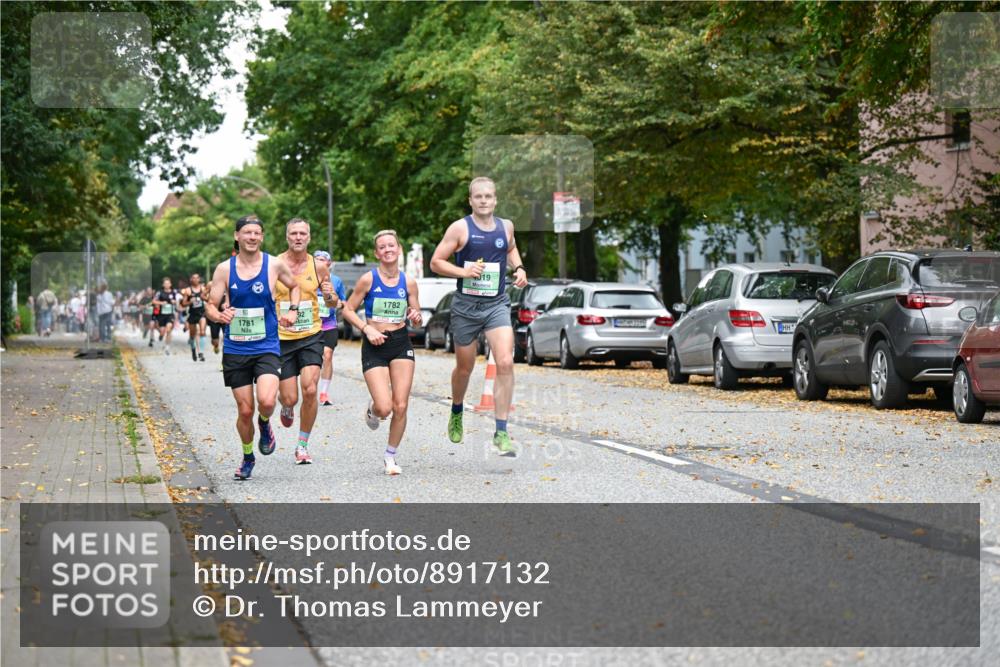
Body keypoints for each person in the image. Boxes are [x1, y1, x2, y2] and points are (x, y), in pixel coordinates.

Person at [429, 176, 528, 457]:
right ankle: (457, 409)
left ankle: (501, 432)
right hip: (466, 306)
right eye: (478, 196)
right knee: (465, 367)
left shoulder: (506, 226)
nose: (484, 201)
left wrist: (519, 268)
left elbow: (510, 248)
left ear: (495, 200)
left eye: (488, 196)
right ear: (470, 200)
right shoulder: (460, 228)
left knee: (505, 361)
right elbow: (436, 262)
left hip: (496, 303)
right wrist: (463, 272)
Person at [205, 214, 300, 481]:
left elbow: (294, 287)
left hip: (267, 345)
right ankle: (248, 457)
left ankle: (265, 422)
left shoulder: (274, 264)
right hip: (236, 349)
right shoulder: (225, 269)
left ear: (262, 237)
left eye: (257, 233)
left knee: (267, 402)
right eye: (247, 232)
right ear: (237, 236)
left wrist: (293, 310)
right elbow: (210, 305)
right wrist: (219, 316)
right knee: (245, 410)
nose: (252, 237)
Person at [342, 230, 422, 476]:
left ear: (399, 249)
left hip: (400, 342)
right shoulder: (368, 279)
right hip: (374, 344)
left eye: (391, 245)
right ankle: (374, 409)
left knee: (401, 405)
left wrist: (416, 316)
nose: (388, 250)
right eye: (382, 247)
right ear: (376, 253)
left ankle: (390, 456)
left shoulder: (408, 282)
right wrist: (366, 328)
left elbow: (417, 317)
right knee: (385, 407)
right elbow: (347, 310)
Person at [274, 218, 339, 465]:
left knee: (310, 389)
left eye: (303, 233)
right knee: (289, 397)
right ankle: (287, 406)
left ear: (309, 237)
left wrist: (330, 296)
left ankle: (302, 445)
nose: (298, 237)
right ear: (287, 237)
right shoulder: (274, 264)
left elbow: (332, 302)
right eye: (294, 233)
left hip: (311, 335)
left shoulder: (318, 266)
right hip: (282, 338)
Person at [312, 250, 347, 406]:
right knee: (312, 359)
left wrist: (340, 304)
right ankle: (310, 389)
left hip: (328, 324)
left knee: (327, 355)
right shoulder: (307, 278)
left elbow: (344, 301)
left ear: (329, 263)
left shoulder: (336, 281)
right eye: (316, 259)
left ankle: (324, 393)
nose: (319, 262)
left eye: (322, 259)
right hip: (310, 325)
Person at [181, 273, 209, 362]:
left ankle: (201, 352)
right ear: (191, 280)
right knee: (192, 336)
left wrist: (204, 298)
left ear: (199, 279)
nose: (196, 279)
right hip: (192, 314)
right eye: (194, 278)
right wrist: (190, 302)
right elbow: (183, 303)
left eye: (197, 278)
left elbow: (208, 299)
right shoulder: (188, 290)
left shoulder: (203, 289)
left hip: (201, 313)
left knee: (202, 332)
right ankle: (193, 350)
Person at [152, 277, 179, 353]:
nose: (167, 285)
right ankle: (161, 334)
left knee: (169, 329)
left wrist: (174, 302)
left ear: (170, 284)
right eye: (165, 283)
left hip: (170, 314)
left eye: (168, 283)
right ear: (163, 285)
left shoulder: (174, 292)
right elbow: (153, 301)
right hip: (161, 315)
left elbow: (178, 301)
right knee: (162, 331)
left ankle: (167, 346)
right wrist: (161, 303)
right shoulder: (159, 293)